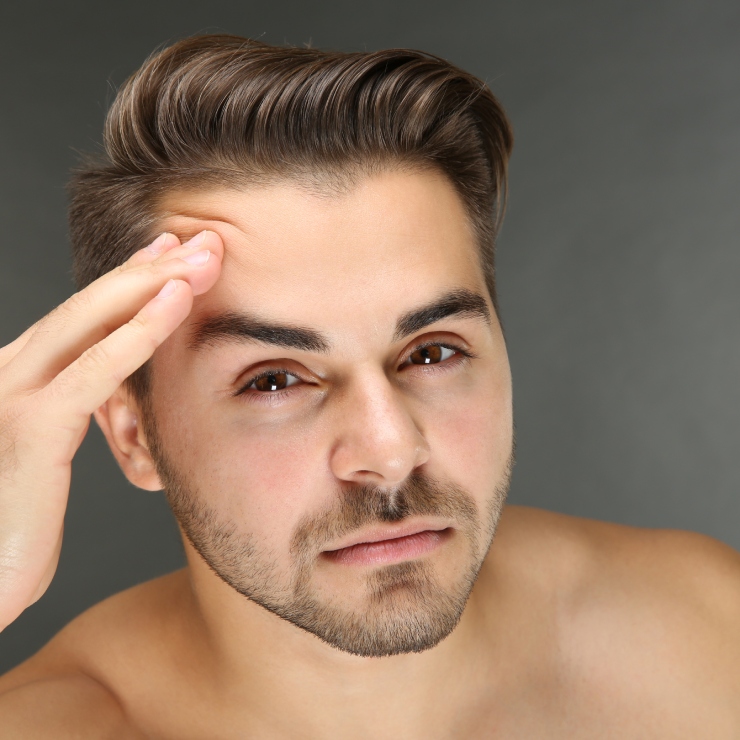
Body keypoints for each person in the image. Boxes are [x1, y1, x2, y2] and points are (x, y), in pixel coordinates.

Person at [0, 33, 738, 738]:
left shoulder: (708, 639)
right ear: (135, 436)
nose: (390, 453)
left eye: (431, 353)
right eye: (275, 379)